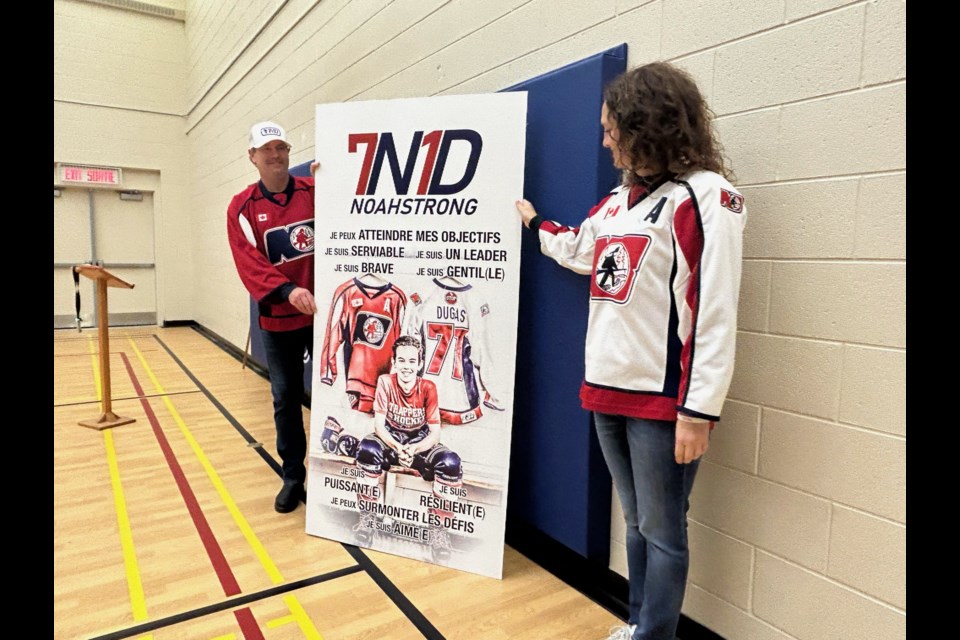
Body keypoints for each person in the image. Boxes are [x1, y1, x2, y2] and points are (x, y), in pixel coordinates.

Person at [515, 62, 746, 640]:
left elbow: (714, 310)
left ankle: (656, 634)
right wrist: (535, 222)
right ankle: (640, 621)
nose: (604, 139)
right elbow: (580, 251)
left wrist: (699, 410)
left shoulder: (706, 197)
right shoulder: (619, 201)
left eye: (610, 128)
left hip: (663, 401)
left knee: (665, 528)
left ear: (644, 125)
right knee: (637, 523)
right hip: (605, 388)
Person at [227, 120, 319, 514]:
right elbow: (249, 262)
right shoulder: (242, 207)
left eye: (281, 147)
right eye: (267, 150)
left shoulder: (314, 192)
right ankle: (293, 476)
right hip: (279, 321)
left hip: (325, 317)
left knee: (340, 394)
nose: (275, 155)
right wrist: (288, 291)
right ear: (253, 157)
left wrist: (336, 182)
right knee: (285, 397)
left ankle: (344, 473)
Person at [353, 335, 464, 558]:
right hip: (390, 439)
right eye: (401, 360)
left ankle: (438, 530)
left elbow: (434, 433)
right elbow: (379, 426)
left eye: (412, 361)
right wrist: (396, 446)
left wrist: (413, 449)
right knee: (366, 449)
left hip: (418, 443)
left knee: (451, 463)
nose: (406, 366)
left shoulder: (428, 387)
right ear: (394, 362)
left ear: (420, 364)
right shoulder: (386, 382)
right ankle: (367, 518)